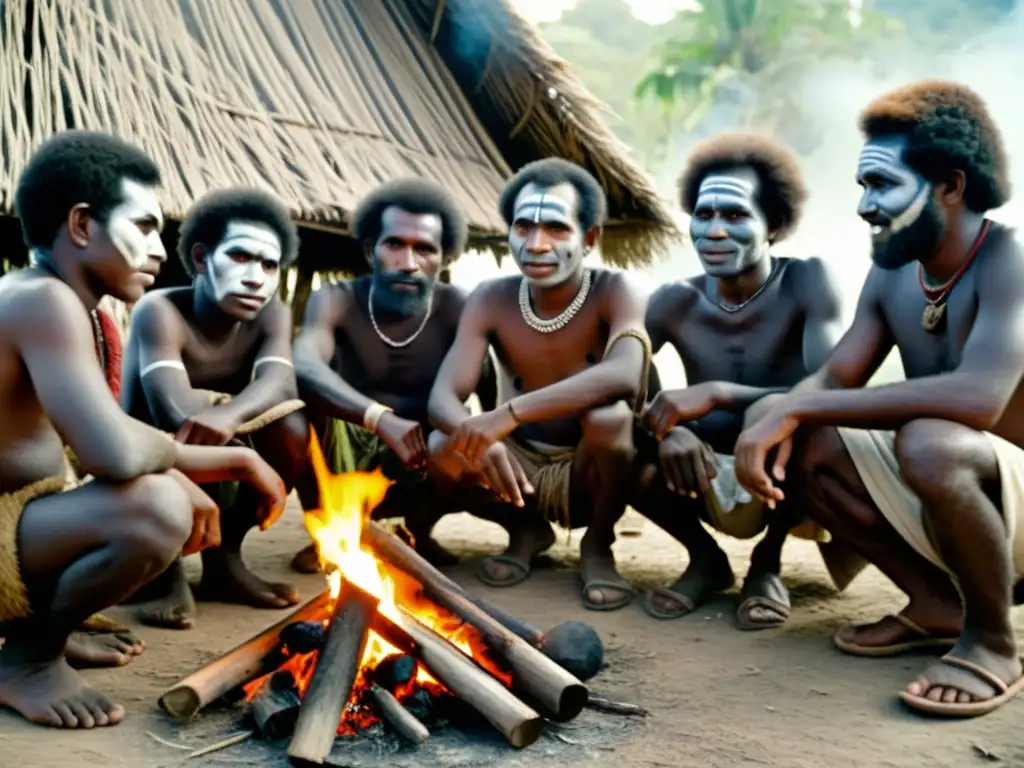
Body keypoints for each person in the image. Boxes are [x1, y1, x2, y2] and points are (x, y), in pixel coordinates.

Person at [734, 80, 1024, 717]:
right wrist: (777, 413)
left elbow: (979, 398)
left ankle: (995, 641)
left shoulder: (1008, 259)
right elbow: (835, 380)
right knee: (796, 429)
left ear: (950, 185)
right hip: (954, 491)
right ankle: (937, 607)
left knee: (926, 439)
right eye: (863, 186)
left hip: (1011, 504)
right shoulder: (894, 271)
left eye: (883, 185)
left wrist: (795, 406)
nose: (865, 205)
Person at [0, 131, 286, 728]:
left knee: (152, 487)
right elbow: (112, 452)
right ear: (81, 225)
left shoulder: (73, 308)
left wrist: (205, 462)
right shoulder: (42, 302)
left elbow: (102, 443)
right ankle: (28, 660)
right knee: (154, 509)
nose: (161, 249)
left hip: (18, 518)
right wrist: (233, 462)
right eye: (146, 226)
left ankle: (42, 630)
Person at [639, 132, 847, 628]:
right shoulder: (673, 299)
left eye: (734, 216)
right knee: (610, 425)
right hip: (697, 470)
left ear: (773, 226)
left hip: (784, 469)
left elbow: (834, 387)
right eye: (703, 215)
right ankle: (704, 558)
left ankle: (767, 562)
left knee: (805, 420)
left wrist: (719, 393)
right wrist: (668, 431)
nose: (713, 231)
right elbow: (619, 377)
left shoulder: (806, 281)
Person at [428, 158, 649, 611]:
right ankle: (525, 529)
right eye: (523, 226)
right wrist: (481, 439)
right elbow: (442, 398)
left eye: (555, 228)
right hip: (517, 468)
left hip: (595, 467)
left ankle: (598, 544)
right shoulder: (491, 297)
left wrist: (506, 414)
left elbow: (625, 374)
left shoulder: (615, 290)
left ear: (589, 238)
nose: (536, 244)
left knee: (611, 418)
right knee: (442, 446)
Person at [121, 188, 307, 628]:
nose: (255, 277)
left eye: (268, 265)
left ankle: (225, 562)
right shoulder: (160, 309)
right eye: (241, 257)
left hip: (224, 437)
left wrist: (228, 415)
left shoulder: (271, 313)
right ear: (203, 259)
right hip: (149, 457)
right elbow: (174, 414)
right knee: (188, 429)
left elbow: (280, 381)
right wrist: (223, 421)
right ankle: (166, 574)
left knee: (293, 427)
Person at [291, 178, 495, 572]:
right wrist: (378, 418)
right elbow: (303, 364)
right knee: (302, 412)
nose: (409, 262)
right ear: (371, 250)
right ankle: (334, 531)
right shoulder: (335, 300)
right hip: (350, 454)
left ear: (446, 258)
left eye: (424, 248)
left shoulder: (460, 308)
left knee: (457, 440)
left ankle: (418, 533)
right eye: (394, 245)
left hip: (423, 460)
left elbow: (490, 401)